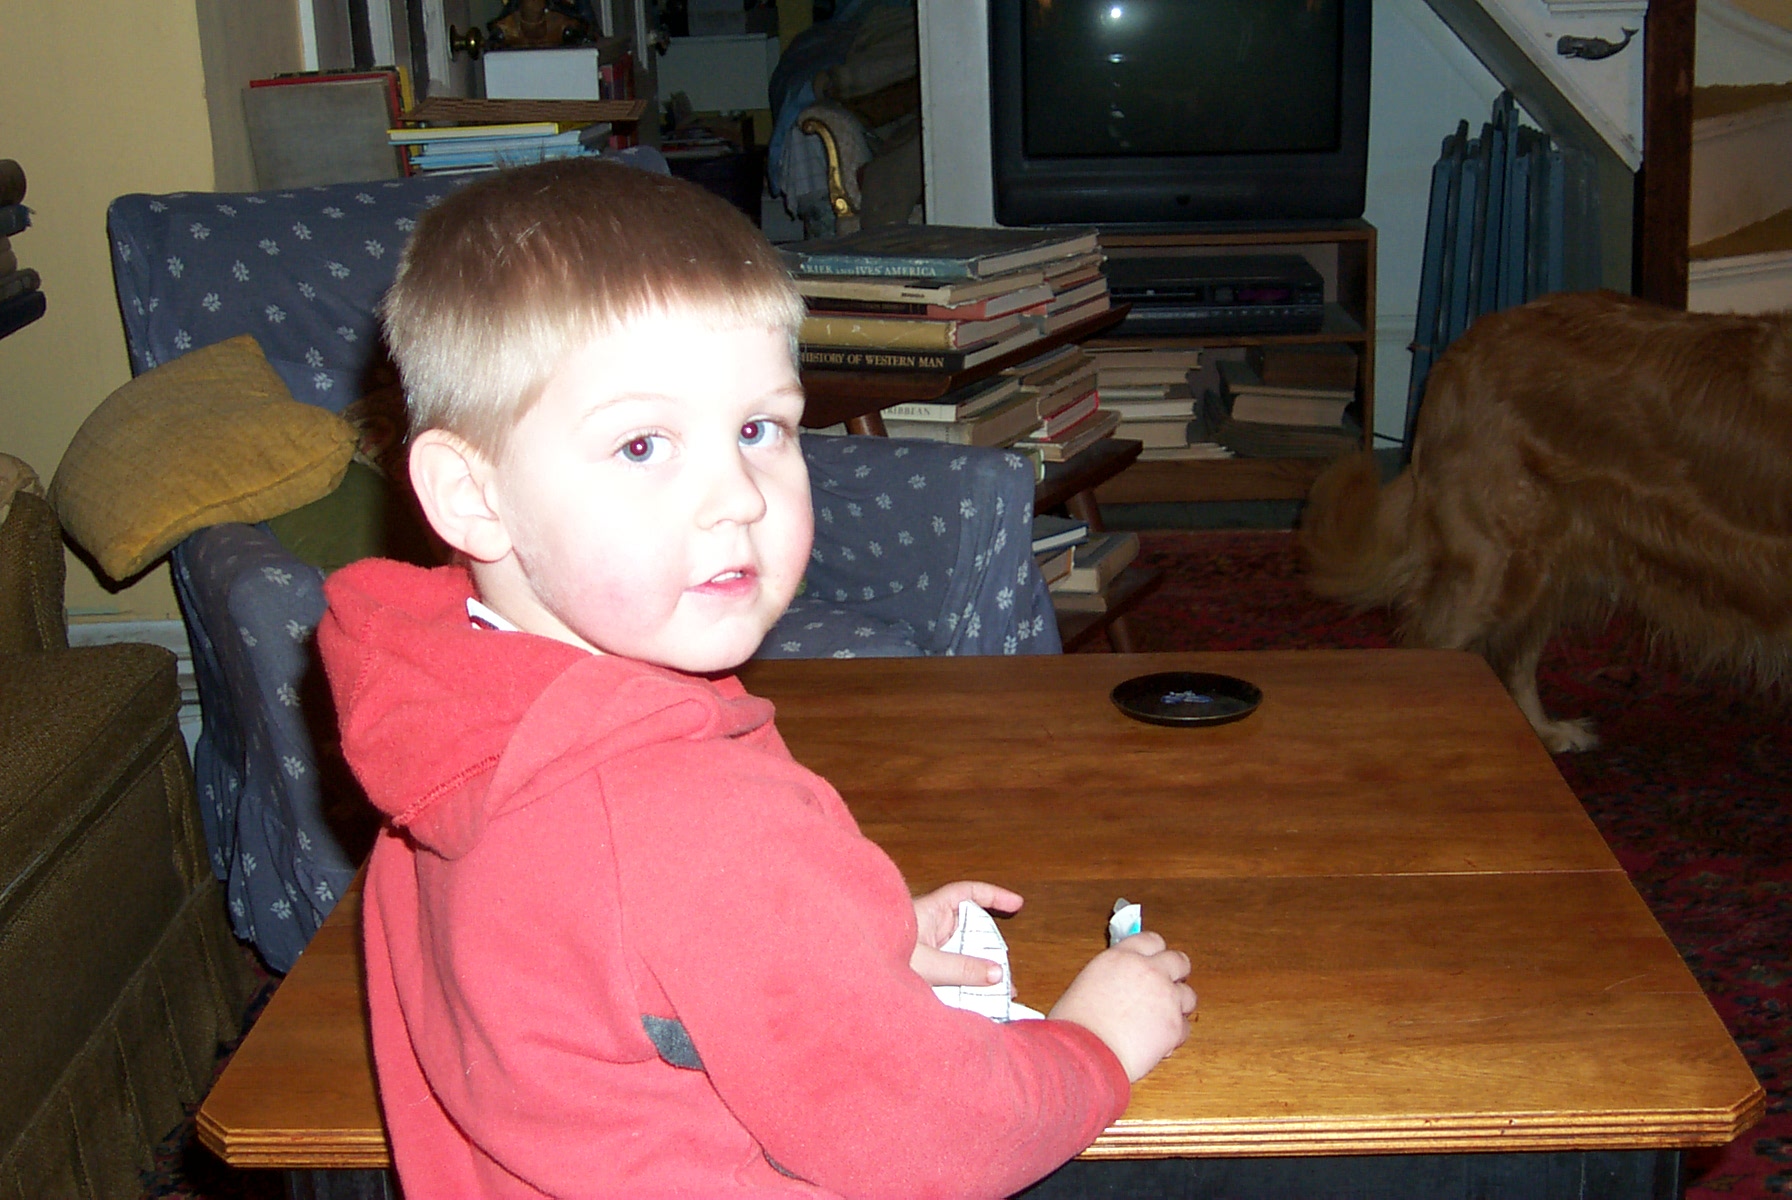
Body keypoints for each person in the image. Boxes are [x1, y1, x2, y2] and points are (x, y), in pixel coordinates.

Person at [317, 158, 1196, 1198]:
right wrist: (1095, 1041)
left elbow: (610, 964)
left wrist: (844, 936)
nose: (737, 496)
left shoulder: (458, 715)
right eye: (642, 445)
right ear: (472, 496)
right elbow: (932, 1136)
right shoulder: (688, 820)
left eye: (758, 429)